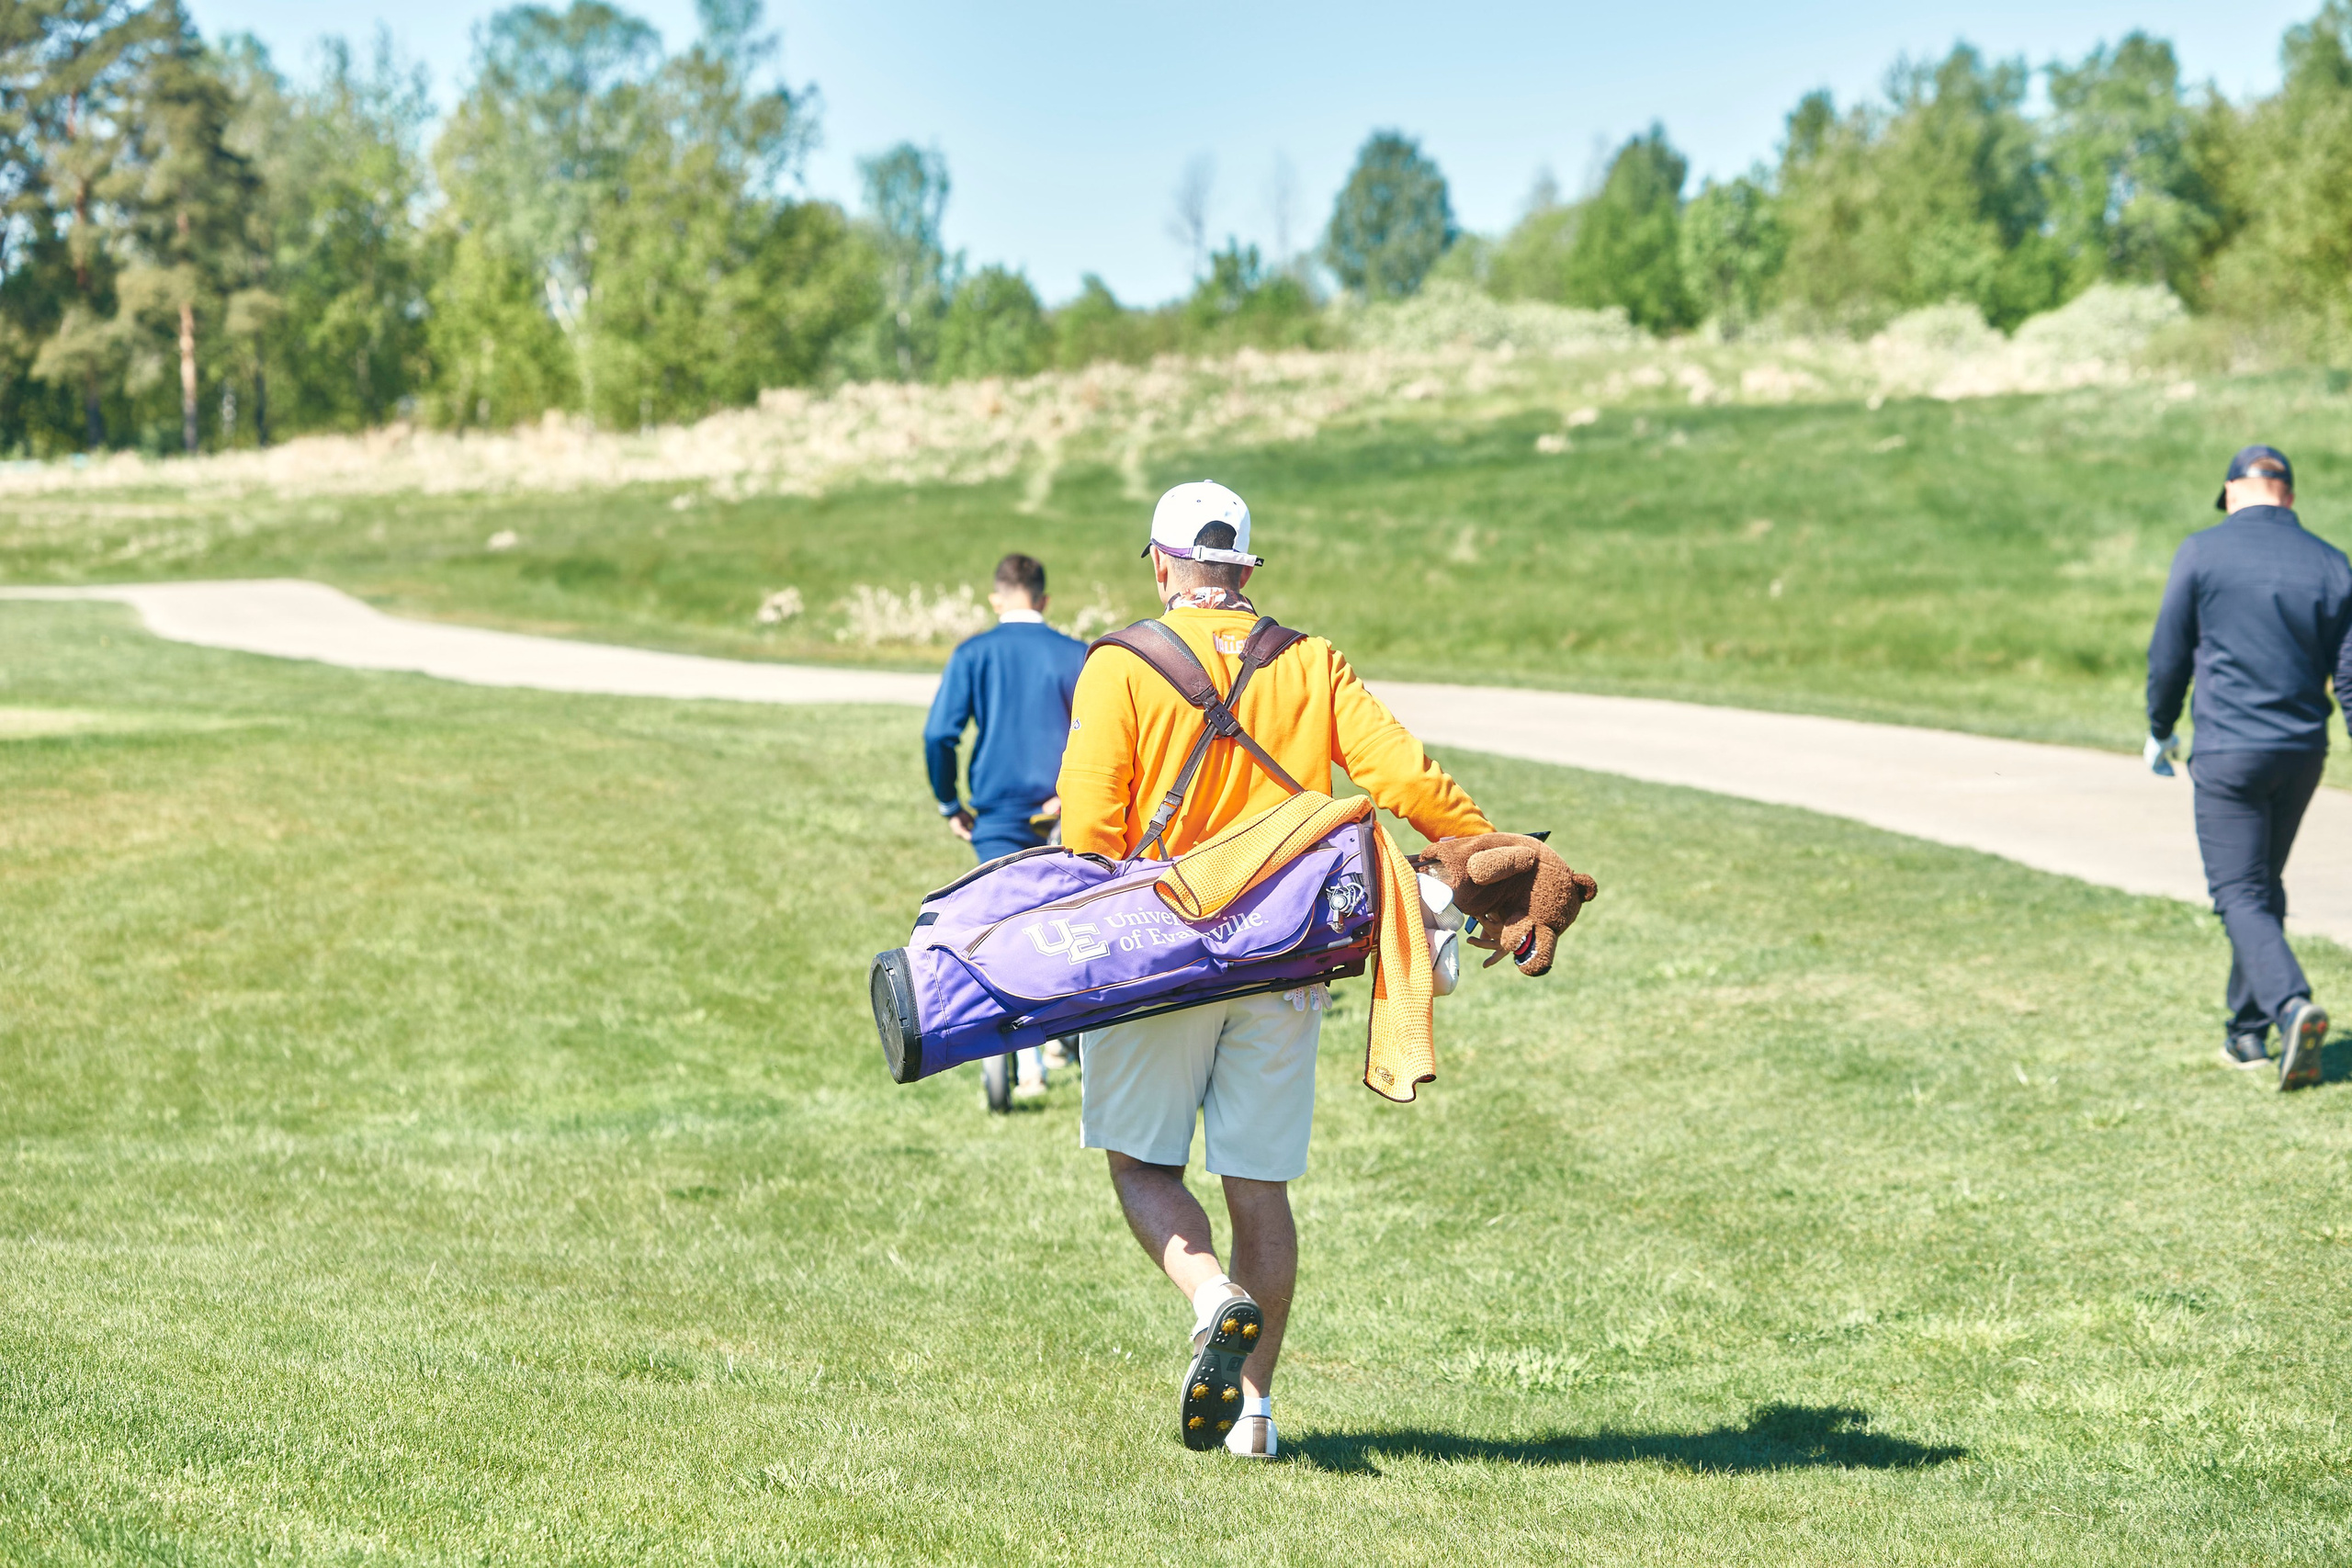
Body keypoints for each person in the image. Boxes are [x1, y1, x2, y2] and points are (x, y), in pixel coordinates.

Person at [1057, 480, 1498, 1458]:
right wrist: (1485, 846)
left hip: (1161, 950)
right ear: (1247, 571)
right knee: (1258, 1185)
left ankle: (1211, 1296)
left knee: (1140, 1163)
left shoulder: (1118, 666)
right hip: (1285, 956)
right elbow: (1404, 778)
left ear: (1163, 564)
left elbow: (1088, 831)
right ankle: (1253, 1417)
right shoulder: (1309, 662)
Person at [2147, 444, 2352, 1089]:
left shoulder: (2202, 552)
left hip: (2231, 750)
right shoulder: (2332, 562)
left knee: (2238, 891)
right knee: (2261, 884)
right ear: (2287, 494)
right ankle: (2245, 1035)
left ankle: (2291, 1005)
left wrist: (2160, 726)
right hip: (2301, 753)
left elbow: (2168, 653)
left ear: (2233, 491)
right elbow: (2349, 674)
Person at [924, 553, 1088, 1095]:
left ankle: (1024, 1058)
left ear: (997, 599)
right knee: (1064, 920)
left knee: (1006, 926)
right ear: (1043, 599)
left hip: (995, 812)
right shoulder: (1076, 655)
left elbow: (938, 736)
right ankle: (1064, 1037)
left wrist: (951, 802)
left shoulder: (973, 653)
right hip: (1063, 808)